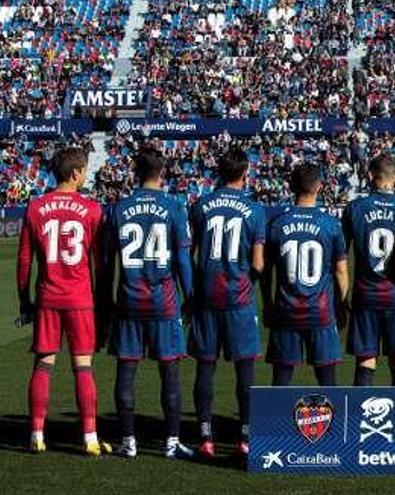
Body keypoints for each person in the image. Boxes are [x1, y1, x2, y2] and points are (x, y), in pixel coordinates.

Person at [16, 147, 110, 455]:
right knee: (83, 367)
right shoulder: (92, 209)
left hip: (47, 297)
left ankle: (36, 434)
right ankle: (90, 437)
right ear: (74, 173)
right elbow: (99, 264)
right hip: (80, 298)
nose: (85, 175)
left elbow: (24, 262)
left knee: (43, 365)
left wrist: (24, 301)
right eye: (84, 170)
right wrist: (101, 300)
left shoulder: (35, 207)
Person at [102, 148, 194, 459]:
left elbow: (105, 264)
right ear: (163, 171)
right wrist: (190, 297)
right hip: (163, 301)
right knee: (169, 371)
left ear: (134, 172)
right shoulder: (174, 207)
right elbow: (182, 259)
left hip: (128, 300)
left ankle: (128, 442)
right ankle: (171, 443)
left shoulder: (118, 209)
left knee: (126, 370)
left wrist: (106, 301)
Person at [189, 148, 265, 459]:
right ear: (245, 173)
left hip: (207, 297)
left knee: (205, 367)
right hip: (239, 298)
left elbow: (190, 253)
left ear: (217, 172)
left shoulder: (201, 206)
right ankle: (245, 437)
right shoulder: (255, 209)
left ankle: (205, 436)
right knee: (244, 369)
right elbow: (258, 264)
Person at [263, 164, 349, 387]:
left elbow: (266, 271)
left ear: (291, 187)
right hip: (320, 311)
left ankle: (276, 422)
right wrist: (341, 304)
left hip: (286, 311)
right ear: (320, 187)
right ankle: (333, 421)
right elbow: (341, 271)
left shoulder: (277, 224)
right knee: (327, 379)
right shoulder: (331, 225)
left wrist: (267, 304)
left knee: (281, 379)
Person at [342, 153, 395, 386]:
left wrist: (341, 297)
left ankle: (359, 419)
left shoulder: (354, 208)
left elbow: (341, 258)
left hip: (366, 294)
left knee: (365, 361)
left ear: (370, 176)